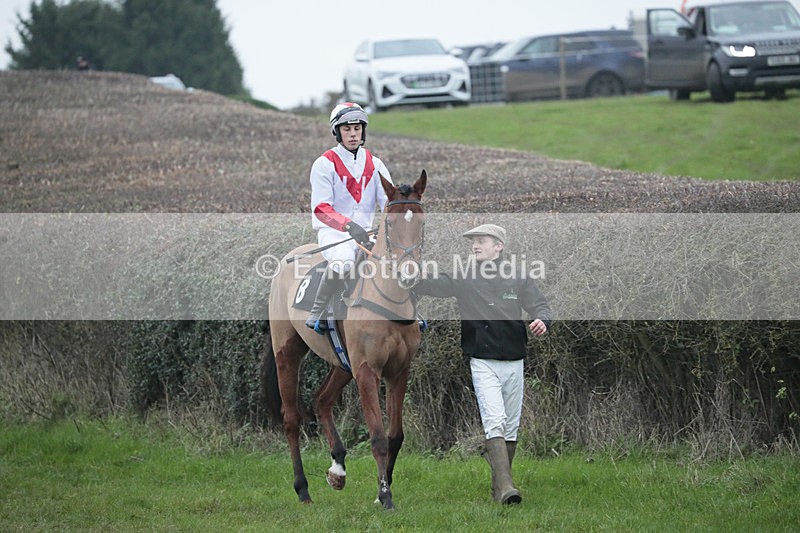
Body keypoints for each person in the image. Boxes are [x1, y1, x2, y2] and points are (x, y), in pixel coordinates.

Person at [414, 223, 553, 504]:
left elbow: (540, 305)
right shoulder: (463, 275)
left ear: (499, 246)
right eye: (473, 242)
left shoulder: (518, 275)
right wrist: (407, 274)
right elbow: (432, 284)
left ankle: (500, 487)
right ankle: (506, 490)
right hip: (482, 360)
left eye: (482, 241)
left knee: (511, 425)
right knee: (494, 420)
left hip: (515, 360)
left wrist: (542, 320)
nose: (475, 245)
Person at [305, 102, 393, 333]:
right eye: (347, 129)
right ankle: (319, 310)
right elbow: (321, 208)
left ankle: (407, 313)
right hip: (334, 234)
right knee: (344, 260)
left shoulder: (376, 163)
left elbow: (388, 203)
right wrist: (348, 225)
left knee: (394, 261)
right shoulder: (324, 164)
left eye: (357, 128)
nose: (353, 134)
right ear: (337, 132)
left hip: (367, 233)